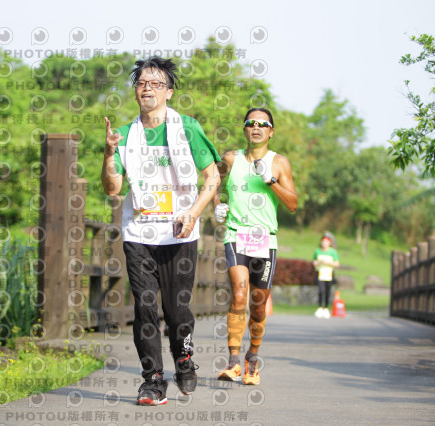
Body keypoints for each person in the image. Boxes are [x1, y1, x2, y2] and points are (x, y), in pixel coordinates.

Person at [100, 56, 221, 405]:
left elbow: (212, 177)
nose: (147, 88)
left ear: (168, 91)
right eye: (141, 83)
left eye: (155, 83)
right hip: (139, 233)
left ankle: (184, 359)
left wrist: (194, 213)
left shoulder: (188, 128)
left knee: (177, 309)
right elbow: (112, 188)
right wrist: (109, 153)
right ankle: (152, 380)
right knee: (146, 306)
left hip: (179, 233)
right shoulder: (122, 135)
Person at [214, 107, 297, 385]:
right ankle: (233, 362)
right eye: (251, 123)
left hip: (265, 240)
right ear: (245, 129)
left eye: (263, 124)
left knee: (258, 306)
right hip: (236, 235)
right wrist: (218, 205)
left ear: (271, 131)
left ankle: (252, 359)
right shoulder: (231, 158)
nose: (256, 127)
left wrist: (270, 181)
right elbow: (212, 182)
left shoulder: (279, 163)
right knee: (239, 293)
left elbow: (293, 204)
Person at [312, 235, 340, 319]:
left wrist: (327, 262)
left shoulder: (333, 252)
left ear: (329, 243)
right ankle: (320, 307)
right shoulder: (317, 251)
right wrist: (317, 263)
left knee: (328, 291)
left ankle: (326, 308)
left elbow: (337, 264)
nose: (324, 243)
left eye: (326, 242)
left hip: (329, 274)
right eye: (323, 242)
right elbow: (314, 261)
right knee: (321, 291)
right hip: (320, 273)